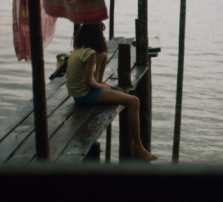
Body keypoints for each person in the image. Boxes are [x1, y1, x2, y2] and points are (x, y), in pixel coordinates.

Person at [66, 22, 158, 161]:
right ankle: (138, 147)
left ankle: (138, 147)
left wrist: (107, 86)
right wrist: (105, 88)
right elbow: (89, 82)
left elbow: (95, 80)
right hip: (85, 95)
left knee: (123, 94)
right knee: (133, 101)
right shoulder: (90, 54)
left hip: (78, 95)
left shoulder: (78, 49)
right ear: (97, 35)